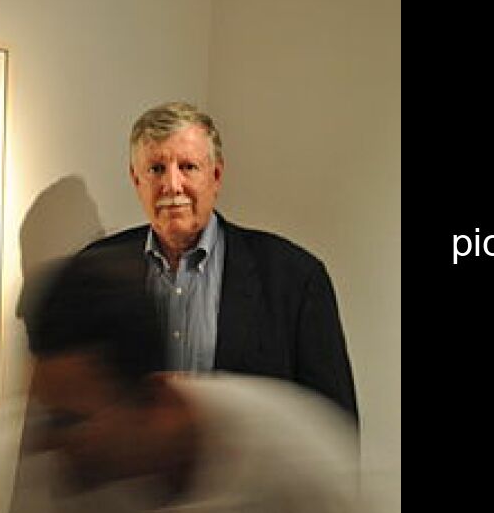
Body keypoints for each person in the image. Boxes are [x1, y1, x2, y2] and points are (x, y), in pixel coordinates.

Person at [22, 249, 391, 513]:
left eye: (69, 421)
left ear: (152, 396)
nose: (49, 444)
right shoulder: (85, 476)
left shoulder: (296, 461)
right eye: (48, 417)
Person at [79, 102, 357, 418]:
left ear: (216, 175)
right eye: (156, 169)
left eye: (188, 167)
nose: (172, 185)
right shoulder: (94, 270)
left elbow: (335, 425)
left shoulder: (294, 278)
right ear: (135, 179)